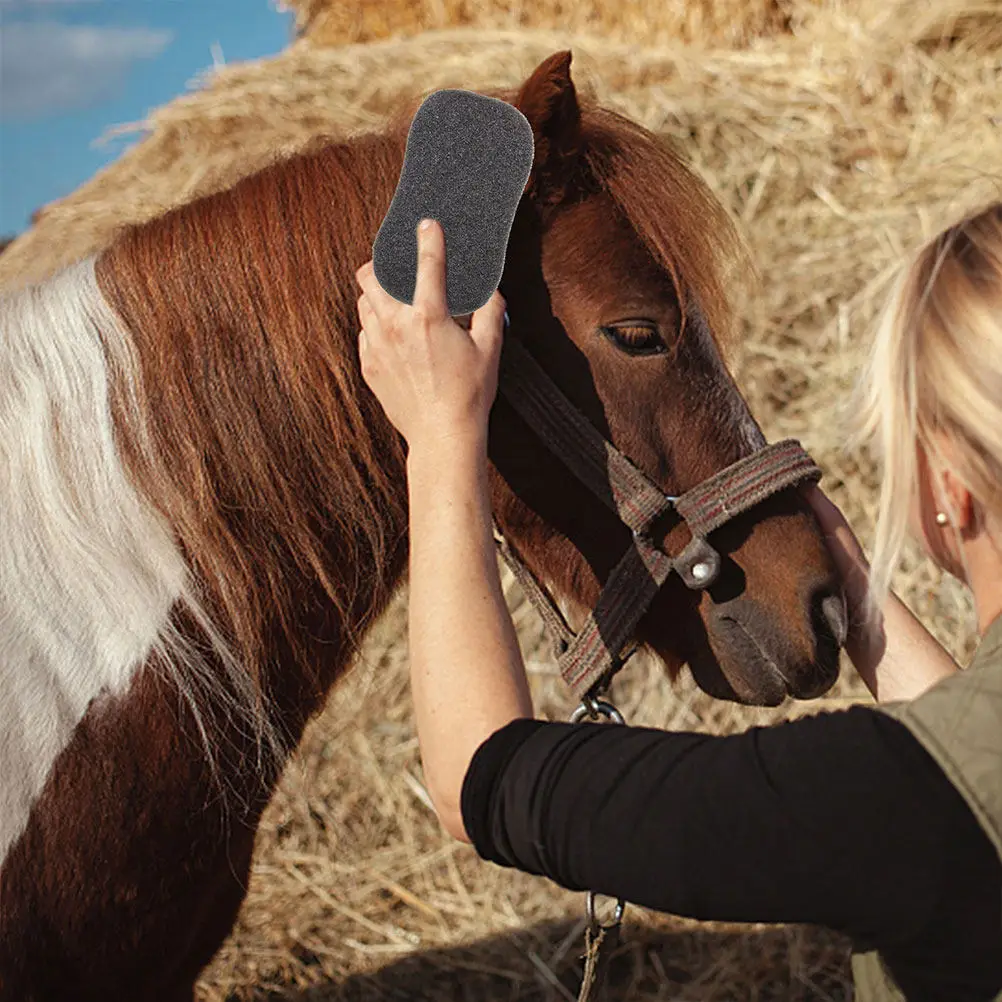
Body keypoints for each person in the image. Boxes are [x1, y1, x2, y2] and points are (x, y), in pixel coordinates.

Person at [353, 204, 1002, 1001]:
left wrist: (442, 434)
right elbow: (963, 749)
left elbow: (479, 778)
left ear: (953, 491)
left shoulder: (896, 796)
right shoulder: (952, 778)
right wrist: (833, 564)